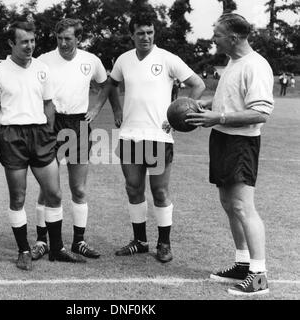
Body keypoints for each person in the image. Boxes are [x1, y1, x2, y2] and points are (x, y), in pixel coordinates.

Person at [0, 20, 85, 271]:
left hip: (41, 134)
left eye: (32, 40)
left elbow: (48, 105)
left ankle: (58, 248)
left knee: (55, 193)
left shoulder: (42, 68)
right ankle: (24, 250)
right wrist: (1, 140)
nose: (29, 46)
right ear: (11, 43)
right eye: (24, 42)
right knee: (18, 197)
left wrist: (48, 131)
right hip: (11, 136)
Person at [186, 13, 273, 296]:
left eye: (217, 34)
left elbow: (260, 112)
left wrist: (219, 117)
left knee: (242, 206)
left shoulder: (256, 66)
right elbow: (231, 99)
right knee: (228, 203)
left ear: (233, 38)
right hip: (224, 140)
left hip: (241, 144)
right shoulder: (233, 63)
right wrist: (203, 106)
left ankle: (258, 276)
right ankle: (243, 263)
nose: (214, 38)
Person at [107, 13, 205, 263]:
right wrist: (117, 109)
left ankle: (164, 243)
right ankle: (139, 241)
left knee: (159, 191)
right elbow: (111, 85)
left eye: (150, 32)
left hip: (159, 137)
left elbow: (197, 84)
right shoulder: (123, 60)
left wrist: (179, 112)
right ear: (132, 35)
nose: (146, 37)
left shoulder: (167, 58)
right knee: (133, 188)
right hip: (130, 134)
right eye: (140, 33)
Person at [33, 18, 113, 261]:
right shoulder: (44, 60)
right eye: (59, 38)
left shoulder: (91, 61)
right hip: (51, 124)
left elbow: (106, 84)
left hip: (79, 124)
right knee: (47, 189)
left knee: (78, 188)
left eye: (68, 38)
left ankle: (79, 241)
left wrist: (97, 109)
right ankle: (41, 241)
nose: (63, 43)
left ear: (79, 38)